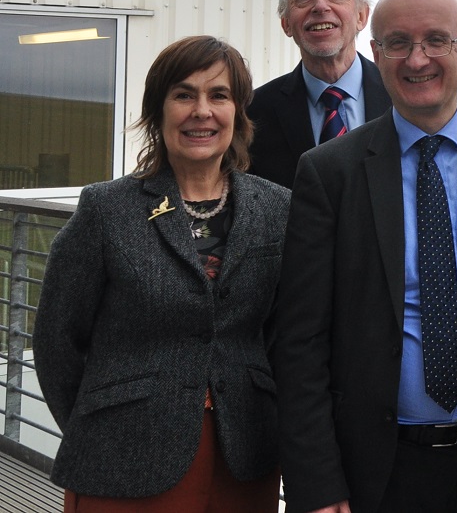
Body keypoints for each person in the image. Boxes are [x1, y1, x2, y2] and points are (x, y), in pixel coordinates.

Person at [272, 0, 457, 513]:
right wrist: (317, 484)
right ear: (375, 53)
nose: (418, 60)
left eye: (437, 40)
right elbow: (299, 341)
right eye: (398, 43)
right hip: (379, 474)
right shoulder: (329, 173)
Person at [34, 35, 290, 512]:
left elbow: (283, 333)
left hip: (245, 453)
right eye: (183, 94)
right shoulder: (105, 210)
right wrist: (102, 424)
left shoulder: (277, 208)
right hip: (124, 456)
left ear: (238, 112)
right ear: (158, 111)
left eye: (219, 95)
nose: (202, 111)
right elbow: (56, 341)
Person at [248, 0, 391, 187]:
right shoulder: (253, 114)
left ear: (361, 16)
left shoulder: (402, 99)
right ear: (286, 24)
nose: (320, 6)